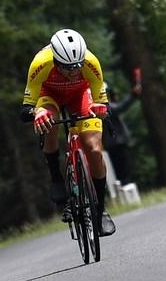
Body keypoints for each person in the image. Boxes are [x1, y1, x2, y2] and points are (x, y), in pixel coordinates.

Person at [21, 29, 116, 236]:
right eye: (67, 68)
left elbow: (102, 99)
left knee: (94, 148)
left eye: (77, 67)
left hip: (80, 95)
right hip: (50, 96)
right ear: (55, 61)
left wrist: (102, 108)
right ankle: (56, 177)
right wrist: (36, 112)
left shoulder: (91, 62)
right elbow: (27, 106)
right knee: (50, 123)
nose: (73, 72)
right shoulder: (40, 63)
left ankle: (101, 209)